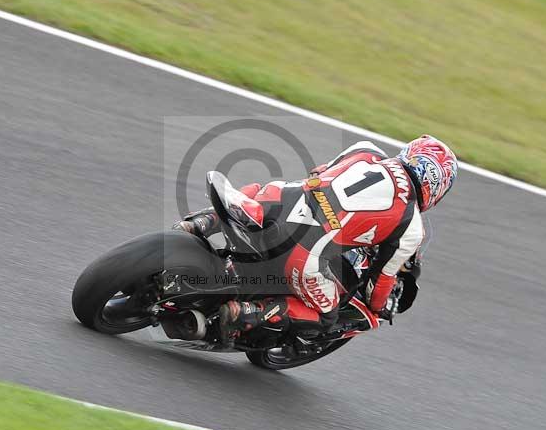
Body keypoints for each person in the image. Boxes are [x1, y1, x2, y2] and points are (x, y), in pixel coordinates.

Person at [174, 136, 458, 345]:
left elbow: (318, 173)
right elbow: (381, 278)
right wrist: (377, 307)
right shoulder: (411, 226)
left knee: (259, 191)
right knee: (326, 317)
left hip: (278, 202)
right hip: (303, 253)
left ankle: (200, 222)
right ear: (438, 188)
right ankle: (247, 313)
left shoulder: (366, 149)